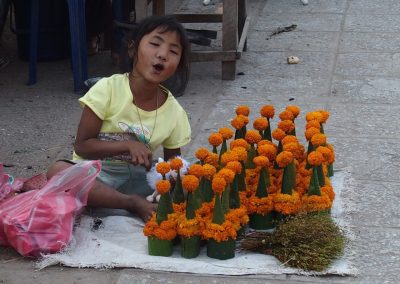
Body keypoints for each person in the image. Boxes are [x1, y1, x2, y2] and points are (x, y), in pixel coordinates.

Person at [47, 15, 192, 222]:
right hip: (97, 174)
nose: (162, 55)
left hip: (139, 179)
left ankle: (136, 202)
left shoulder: (175, 112)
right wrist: (126, 145)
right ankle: (130, 203)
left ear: (178, 65)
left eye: (173, 51)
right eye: (155, 44)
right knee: (58, 171)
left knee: (192, 180)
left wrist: (173, 184)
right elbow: (82, 146)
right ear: (133, 50)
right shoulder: (108, 89)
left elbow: (172, 167)